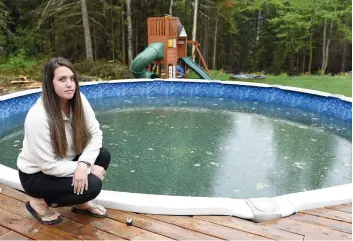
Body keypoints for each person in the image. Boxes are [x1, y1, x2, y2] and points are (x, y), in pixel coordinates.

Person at [17, 57, 111, 225]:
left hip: (66, 162)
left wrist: (84, 164)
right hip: (37, 176)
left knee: (103, 155)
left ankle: (81, 203)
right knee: (94, 185)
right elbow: (49, 166)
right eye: (62, 79)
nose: (69, 84)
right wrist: (88, 170)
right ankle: (39, 203)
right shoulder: (38, 117)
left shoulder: (79, 100)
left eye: (72, 78)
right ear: (49, 83)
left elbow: (96, 134)